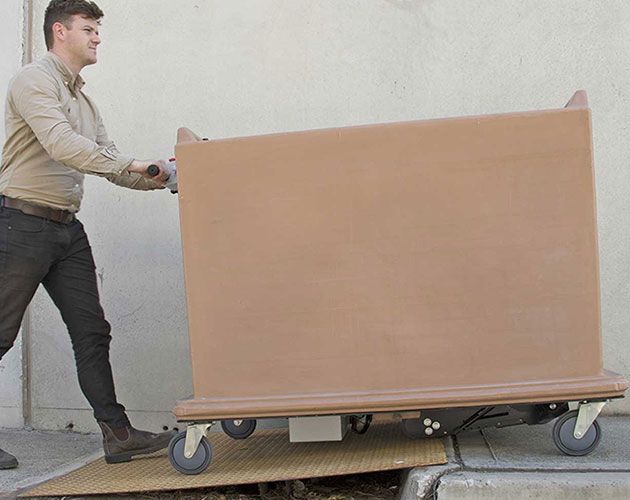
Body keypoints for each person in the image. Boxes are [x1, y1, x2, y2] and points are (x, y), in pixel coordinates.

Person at [0, 0, 176, 469]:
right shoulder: (33, 80)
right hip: (20, 225)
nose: (97, 36)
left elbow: (109, 160)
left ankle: (118, 436)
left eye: (98, 29)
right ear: (60, 31)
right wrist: (135, 164)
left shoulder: (83, 98)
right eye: (89, 28)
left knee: (92, 332)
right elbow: (62, 144)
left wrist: (164, 178)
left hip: (65, 230)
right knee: (0, 334)